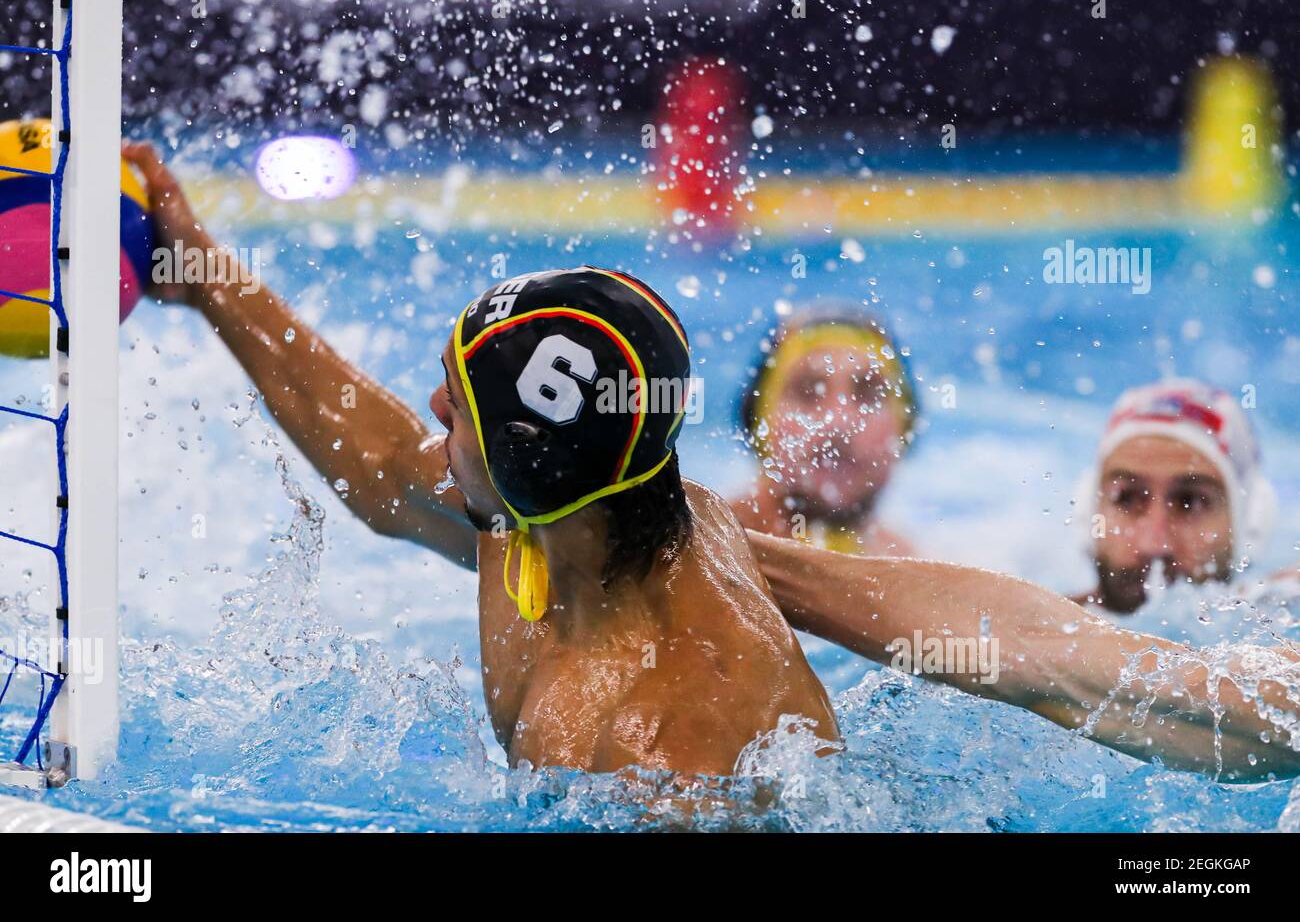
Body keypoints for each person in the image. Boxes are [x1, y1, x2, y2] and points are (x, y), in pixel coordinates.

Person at [125, 144, 1300, 785]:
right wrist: (202, 273)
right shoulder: (545, 515)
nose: (434, 409)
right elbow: (381, 460)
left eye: (460, 403)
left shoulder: (684, 741)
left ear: (533, 472)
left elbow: (1044, 665)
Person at [1070, 378, 1287, 614]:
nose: (1154, 545)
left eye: (1189, 502)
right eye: (1126, 498)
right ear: (1088, 512)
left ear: (1250, 522)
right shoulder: (1031, 631)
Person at [732, 307, 918, 556]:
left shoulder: (909, 566)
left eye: (868, 394)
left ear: (904, 426)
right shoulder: (699, 559)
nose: (838, 422)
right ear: (759, 422)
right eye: (807, 392)